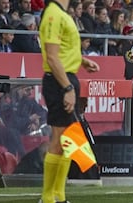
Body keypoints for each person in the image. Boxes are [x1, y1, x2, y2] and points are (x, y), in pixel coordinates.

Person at [39, 0, 100, 203]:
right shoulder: (53, 14)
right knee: (59, 139)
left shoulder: (61, 13)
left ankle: (58, 195)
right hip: (59, 81)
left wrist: (81, 60)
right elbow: (52, 57)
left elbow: (62, 49)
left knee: (67, 141)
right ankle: (48, 198)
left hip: (66, 77)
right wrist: (67, 88)